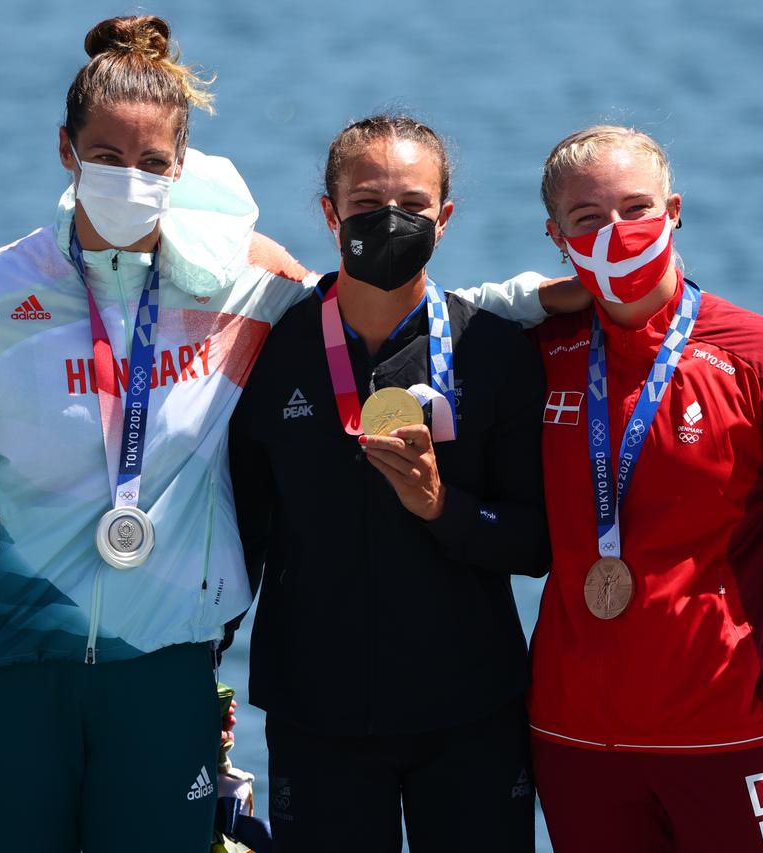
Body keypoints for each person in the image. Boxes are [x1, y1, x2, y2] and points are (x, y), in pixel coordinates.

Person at [0, 16, 573, 851]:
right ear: (65, 151)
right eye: (105, 157)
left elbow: (385, 295)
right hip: (8, 666)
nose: (129, 178)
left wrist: (530, 298)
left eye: (152, 164)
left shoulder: (235, 284)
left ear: (181, 169)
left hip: (163, 675)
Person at [526, 125, 763, 852]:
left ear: (674, 211)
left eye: (637, 208)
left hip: (732, 739)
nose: (618, 231)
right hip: (575, 740)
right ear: (555, 236)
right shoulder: (537, 354)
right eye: (588, 218)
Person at [228, 114, 552, 852]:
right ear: (329, 212)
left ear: (445, 217)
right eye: (368, 203)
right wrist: (203, 660)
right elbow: (238, 531)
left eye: (412, 203)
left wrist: (443, 509)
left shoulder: (492, 351)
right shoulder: (272, 351)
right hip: (316, 708)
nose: (390, 220)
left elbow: (535, 543)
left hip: (470, 706)